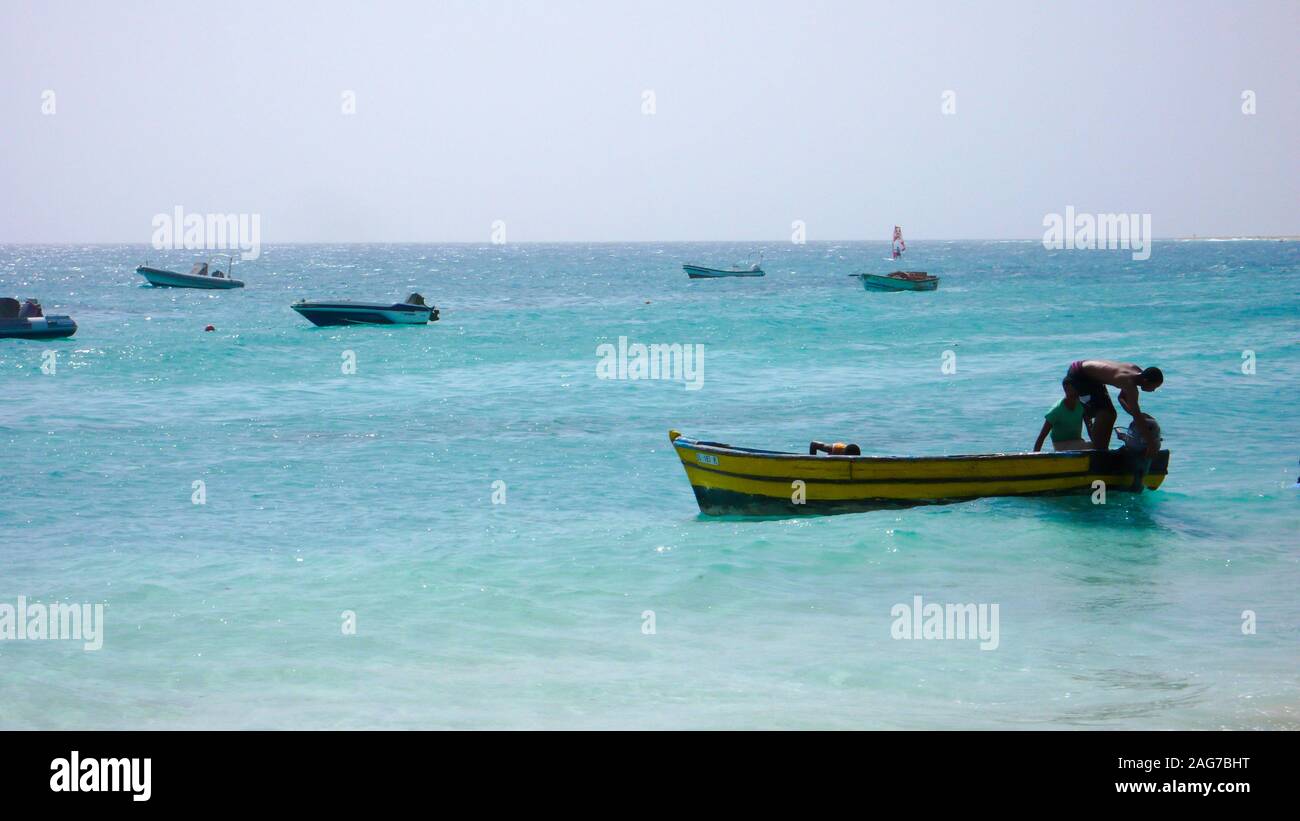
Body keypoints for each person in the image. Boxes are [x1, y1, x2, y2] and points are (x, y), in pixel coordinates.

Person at [1063, 359, 1163, 456]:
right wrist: (1151, 444)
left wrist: (1135, 414)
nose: (1153, 390)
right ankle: (1098, 449)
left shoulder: (1135, 372)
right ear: (1146, 380)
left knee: (1111, 414)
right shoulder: (1129, 383)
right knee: (1106, 414)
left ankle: (1101, 449)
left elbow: (1121, 398)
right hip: (1079, 375)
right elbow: (1137, 416)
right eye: (1154, 386)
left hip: (1092, 378)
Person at [1034, 380, 1092, 452]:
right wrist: (1034, 458)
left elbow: (1090, 430)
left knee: (1098, 444)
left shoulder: (1082, 405)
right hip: (1061, 446)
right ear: (1066, 389)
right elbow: (1041, 437)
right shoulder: (1056, 411)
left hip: (1078, 442)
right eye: (1075, 387)